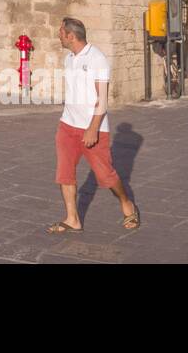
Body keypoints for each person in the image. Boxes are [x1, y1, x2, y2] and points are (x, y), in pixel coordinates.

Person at [47, 17, 139, 234]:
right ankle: (72, 219)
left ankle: (127, 204)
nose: (58, 35)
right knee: (64, 173)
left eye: (61, 32)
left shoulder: (97, 58)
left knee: (105, 175)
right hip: (67, 126)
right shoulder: (69, 58)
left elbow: (103, 99)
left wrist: (92, 128)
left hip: (93, 128)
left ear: (71, 36)